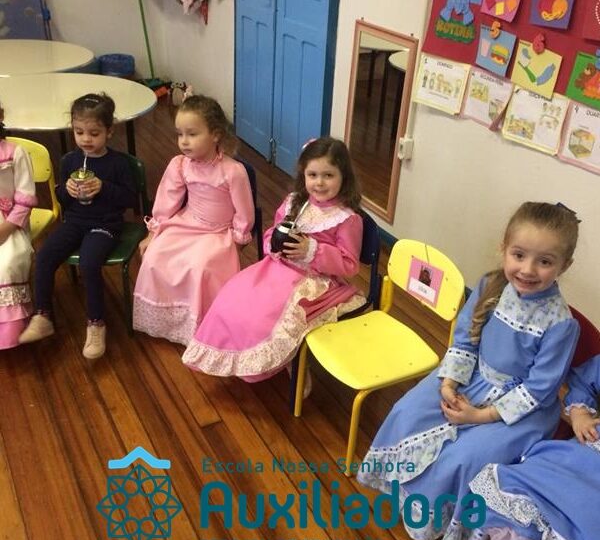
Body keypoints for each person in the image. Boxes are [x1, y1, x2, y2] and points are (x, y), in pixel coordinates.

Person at [356, 202, 581, 540]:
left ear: (564, 266)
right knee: (406, 411)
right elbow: (464, 340)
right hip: (471, 376)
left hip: (519, 409)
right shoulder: (491, 285)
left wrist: (480, 416)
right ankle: (402, 495)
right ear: (503, 248)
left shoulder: (561, 324)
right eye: (519, 255)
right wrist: (449, 383)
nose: (527, 269)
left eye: (545, 261)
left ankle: (437, 522)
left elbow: (539, 389)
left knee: (465, 457)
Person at [182, 137, 365, 387]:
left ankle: (290, 358)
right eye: (312, 175)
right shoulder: (295, 202)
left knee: (269, 318)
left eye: (328, 175)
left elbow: (349, 265)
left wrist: (312, 250)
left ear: (344, 176)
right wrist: (275, 242)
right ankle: (242, 355)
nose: (319, 183)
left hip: (315, 280)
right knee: (234, 297)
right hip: (276, 267)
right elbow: (272, 231)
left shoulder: (347, 218)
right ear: (303, 175)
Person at [19, 93, 136, 359]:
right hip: (75, 222)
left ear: (109, 131)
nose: (85, 139)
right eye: (79, 132)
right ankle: (43, 316)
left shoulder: (118, 163)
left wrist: (104, 187)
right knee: (45, 255)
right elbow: (61, 199)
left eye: (94, 133)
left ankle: (96, 323)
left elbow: (130, 199)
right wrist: (67, 190)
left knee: (89, 262)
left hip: (105, 224)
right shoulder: (70, 161)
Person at [133, 95, 254, 345]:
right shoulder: (180, 165)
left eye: (192, 134)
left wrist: (237, 241)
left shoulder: (233, 171)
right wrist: (153, 232)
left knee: (199, 266)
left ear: (215, 134)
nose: (184, 141)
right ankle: (167, 323)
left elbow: (244, 212)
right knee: (155, 257)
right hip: (186, 223)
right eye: (180, 134)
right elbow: (166, 200)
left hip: (217, 232)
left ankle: (199, 325)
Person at [470, 354, 600, 540]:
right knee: (526, 488)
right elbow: (584, 381)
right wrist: (580, 413)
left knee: (585, 535)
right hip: (584, 453)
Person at [0, 101, 37, 349]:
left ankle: (9, 328)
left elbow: (25, 200)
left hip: (10, 223)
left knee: (7, 264)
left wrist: (7, 228)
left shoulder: (15, 153)